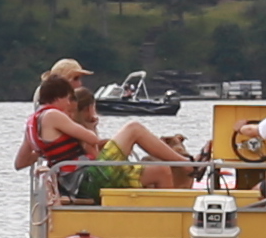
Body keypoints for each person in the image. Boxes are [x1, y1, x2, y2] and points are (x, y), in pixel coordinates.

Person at [16, 61, 189, 175]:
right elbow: (91, 141)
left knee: (144, 152)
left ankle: (184, 164)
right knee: (134, 129)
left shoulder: (33, 120)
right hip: (86, 174)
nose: (80, 84)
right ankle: (186, 165)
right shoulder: (62, 112)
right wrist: (92, 129)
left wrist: (47, 151)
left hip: (73, 172)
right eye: (76, 78)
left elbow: (20, 162)